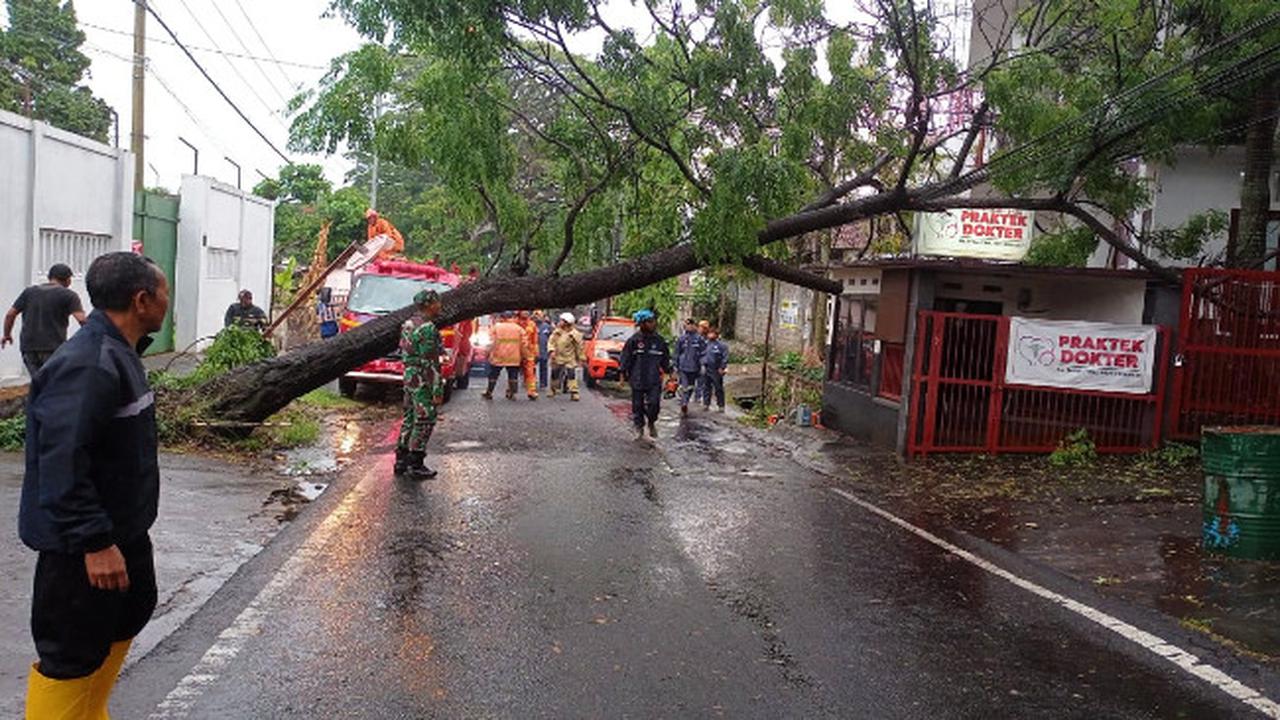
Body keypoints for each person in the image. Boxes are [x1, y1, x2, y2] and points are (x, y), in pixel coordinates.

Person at [20, 252, 169, 718]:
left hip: (122, 534)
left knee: (128, 613)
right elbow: (62, 461)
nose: (168, 302)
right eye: (164, 294)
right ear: (142, 300)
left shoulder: (120, 353)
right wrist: (94, 542)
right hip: (82, 550)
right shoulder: (88, 365)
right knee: (70, 656)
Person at [394, 290, 446, 481]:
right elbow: (431, 362)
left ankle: (401, 459)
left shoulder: (407, 324)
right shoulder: (428, 328)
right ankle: (416, 462)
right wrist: (437, 388)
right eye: (437, 303)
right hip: (422, 378)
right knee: (425, 419)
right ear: (429, 304)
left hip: (409, 376)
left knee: (409, 416)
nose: (440, 306)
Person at [3, 263, 87, 377]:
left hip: (28, 347)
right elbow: (82, 320)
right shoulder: (69, 295)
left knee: (38, 382)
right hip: (53, 348)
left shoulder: (29, 292)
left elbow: (10, 315)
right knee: (53, 384)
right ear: (68, 280)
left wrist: (6, 334)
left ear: (49, 277)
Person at [619, 309, 672, 441]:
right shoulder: (634, 341)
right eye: (649, 322)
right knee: (637, 406)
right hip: (637, 379)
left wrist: (671, 374)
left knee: (654, 404)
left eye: (653, 321)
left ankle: (651, 422)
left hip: (653, 379)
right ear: (642, 323)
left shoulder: (660, 341)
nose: (653, 324)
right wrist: (622, 377)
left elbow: (665, 360)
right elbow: (625, 359)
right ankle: (639, 427)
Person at [482, 311, 528, 400]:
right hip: (514, 356)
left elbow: (490, 342)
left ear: (502, 318)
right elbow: (524, 344)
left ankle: (489, 392)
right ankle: (512, 394)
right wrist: (524, 356)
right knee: (513, 375)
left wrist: (487, 353)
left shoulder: (496, 327)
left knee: (493, 375)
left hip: (498, 355)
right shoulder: (519, 329)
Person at [548, 312, 586, 400]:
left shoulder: (574, 334)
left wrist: (581, 358)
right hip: (557, 356)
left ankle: (574, 392)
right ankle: (553, 389)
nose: (560, 322)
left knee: (571, 374)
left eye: (562, 321)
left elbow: (579, 347)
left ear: (567, 322)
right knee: (555, 374)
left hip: (570, 357)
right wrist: (551, 351)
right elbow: (551, 342)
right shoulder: (557, 332)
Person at [674, 318, 707, 417]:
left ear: (694, 326)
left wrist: (702, 365)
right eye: (686, 325)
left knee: (690, 387)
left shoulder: (699, 339)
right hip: (683, 367)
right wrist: (675, 365)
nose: (688, 327)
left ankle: (686, 401)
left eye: (690, 325)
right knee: (684, 386)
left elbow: (703, 353)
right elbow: (677, 353)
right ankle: (684, 404)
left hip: (694, 367)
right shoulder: (682, 339)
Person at [702, 327, 730, 412]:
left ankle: (721, 405)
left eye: (712, 333)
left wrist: (722, 367)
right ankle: (706, 404)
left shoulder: (721, 346)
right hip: (707, 368)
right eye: (709, 333)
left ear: (716, 335)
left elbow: (725, 358)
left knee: (718, 388)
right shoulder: (705, 344)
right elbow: (701, 355)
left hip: (716, 370)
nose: (710, 335)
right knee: (706, 387)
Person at [515, 310, 539, 400]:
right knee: (513, 371)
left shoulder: (532, 324)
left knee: (530, 372)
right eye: (524, 311)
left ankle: (531, 392)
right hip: (515, 351)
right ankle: (511, 391)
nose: (526, 313)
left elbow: (535, 339)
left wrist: (536, 351)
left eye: (527, 311)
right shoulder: (514, 323)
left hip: (528, 352)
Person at [534, 310, 553, 389]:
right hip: (533, 351)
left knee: (544, 367)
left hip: (544, 350)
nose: (537, 317)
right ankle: (532, 382)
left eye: (539, 315)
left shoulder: (547, 326)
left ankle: (543, 383)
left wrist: (551, 349)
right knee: (531, 367)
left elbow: (551, 338)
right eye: (536, 315)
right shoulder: (531, 325)